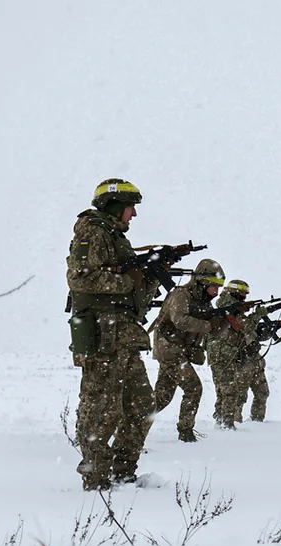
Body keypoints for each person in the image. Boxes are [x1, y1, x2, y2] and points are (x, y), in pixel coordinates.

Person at [65, 178, 161, 490]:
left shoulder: (115, 237)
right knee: (101, 409)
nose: (133, 214)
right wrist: (129, 280)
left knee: (142, 405)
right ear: (116, 206)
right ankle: (96, 477)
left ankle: (123, 469)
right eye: (130, 207)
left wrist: (153, 275)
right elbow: (81, 279)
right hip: (103, 338)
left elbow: (133, 295)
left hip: (125, 337)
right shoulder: (92, 231)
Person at [148, 258, 229, 442]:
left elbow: (214, 332)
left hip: (177, 351)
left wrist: (225, 320)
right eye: (213, 286)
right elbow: (180, 321)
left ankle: (130, 431)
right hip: (169, 350)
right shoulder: (181, 295)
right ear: (202, 282)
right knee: (193, 388)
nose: (216, 292)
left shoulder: (205, 303)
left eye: (219, 287)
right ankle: (185, 432)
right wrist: (208, 325)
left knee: (161, 398)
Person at [206, 279, 268, 429]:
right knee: (229, 390)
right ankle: (226, 424)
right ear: (235, 293)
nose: (244, 297)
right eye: (242, 294)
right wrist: (257, 315)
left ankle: (221, 419)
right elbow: (244, 327)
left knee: (223, 390)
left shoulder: (226, 306)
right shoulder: (228, 308)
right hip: (223, 353)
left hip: (221, 353)